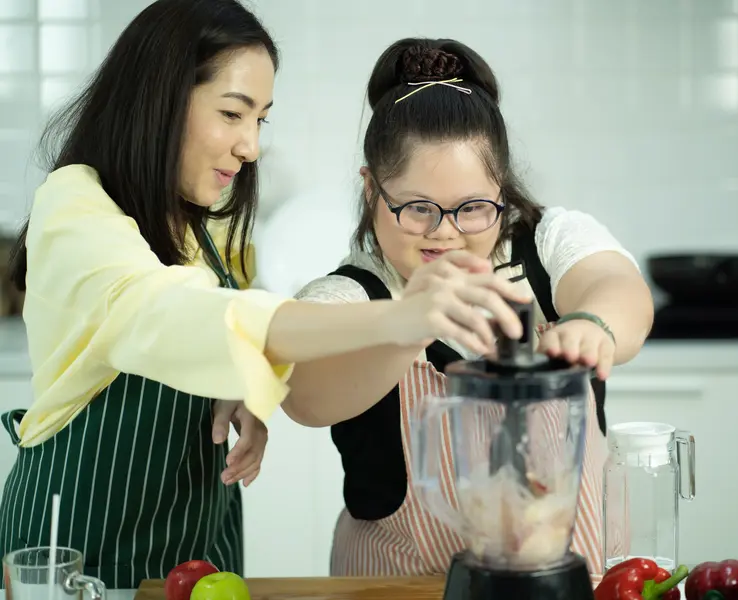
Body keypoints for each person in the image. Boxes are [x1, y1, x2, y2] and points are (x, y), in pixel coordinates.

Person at [0, 6, 528, 589]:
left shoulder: (205, 219)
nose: (250, 146)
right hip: (81, 543)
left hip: (200, 540)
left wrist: (244, 380)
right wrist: (401, 318)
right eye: (232, 113)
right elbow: (164, 313)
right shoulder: (74, 204)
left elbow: (229, 322)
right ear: (160, 99)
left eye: (261, 121)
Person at [288, 38, 655, 583]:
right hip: (397, 585)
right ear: (371, 192)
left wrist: (592, 324)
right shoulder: (354, 292)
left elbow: (614, 283)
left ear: (500, 189)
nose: (447, 233)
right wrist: (410, 323)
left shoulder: (547, 244)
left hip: (572, 575)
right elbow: (305, 393)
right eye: (417, 209)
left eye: (473, 208)